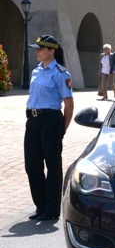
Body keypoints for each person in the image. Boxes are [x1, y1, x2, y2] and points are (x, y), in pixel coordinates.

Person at [24, 35, 74, 221]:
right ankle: (41, 206)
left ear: (51, 51)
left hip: (51, 120)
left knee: (52, 165)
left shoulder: (61, 74)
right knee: (32, 164)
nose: (36, 51)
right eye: (36, 49)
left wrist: (62, 129)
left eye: (40, 49)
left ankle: (52, 210)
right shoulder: (36, 71)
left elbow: (69, 104)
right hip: (33, 121)